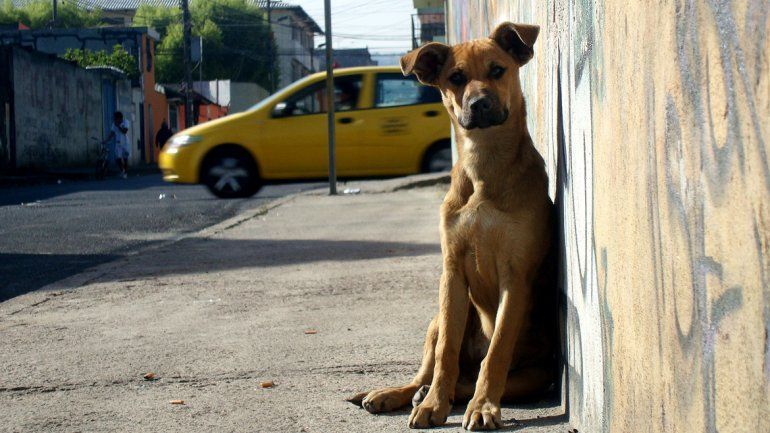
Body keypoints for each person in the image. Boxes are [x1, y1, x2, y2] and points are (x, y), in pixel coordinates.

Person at [104, 111, 130, 178]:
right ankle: (122, 171)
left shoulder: (125, 122)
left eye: (115, 118)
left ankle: (125, 173)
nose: (114, 119)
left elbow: (125, 131)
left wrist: (118, 126)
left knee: (125, 159)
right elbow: (112, 133)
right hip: (118, 143)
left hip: (125, 143)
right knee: (118, 159)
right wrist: (106, 140)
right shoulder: (114, 124)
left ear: (120, 118)